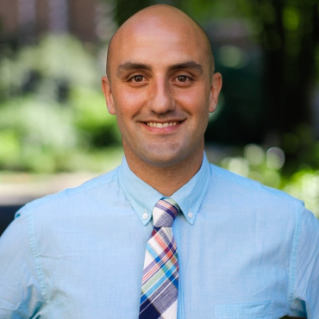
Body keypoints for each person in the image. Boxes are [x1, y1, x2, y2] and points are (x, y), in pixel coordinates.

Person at [0, 4, 318, 319]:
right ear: (110, 95)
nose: (161, 102)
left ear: (212, 91)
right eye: (138, 78)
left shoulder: (290, 229)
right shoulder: (37, 233)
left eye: (182, 77)